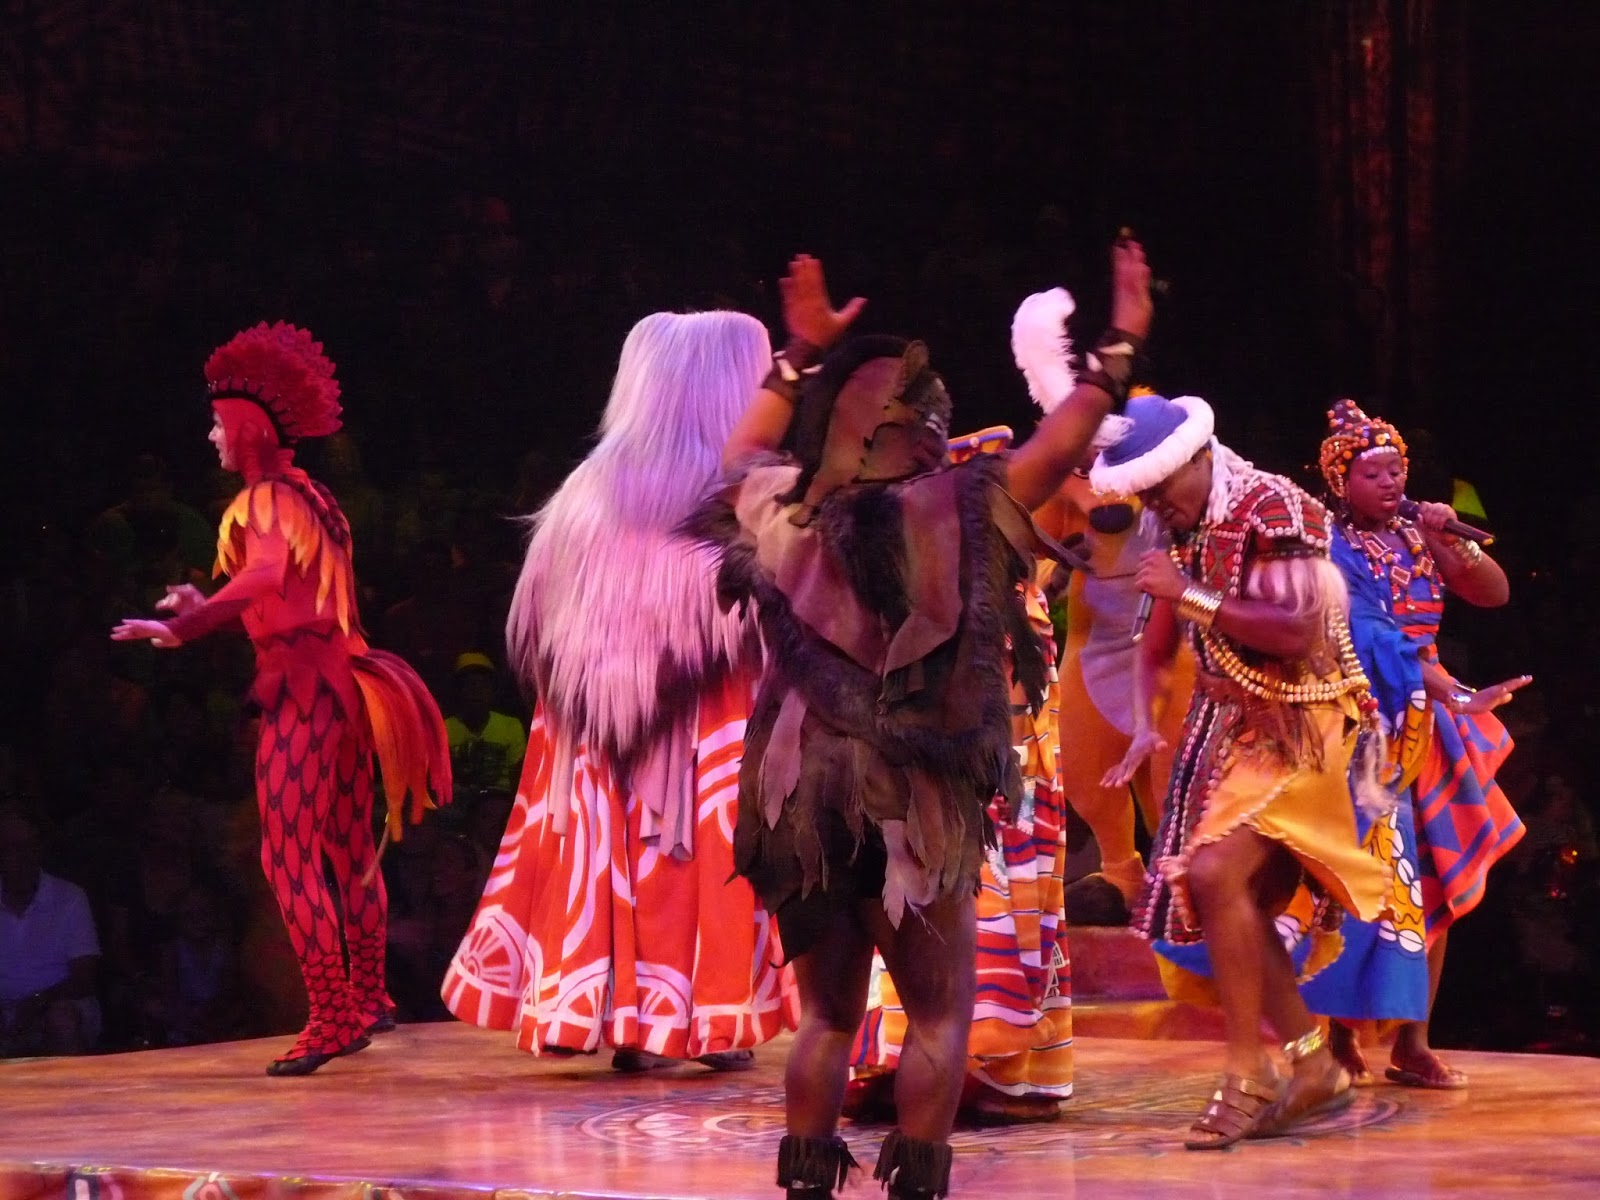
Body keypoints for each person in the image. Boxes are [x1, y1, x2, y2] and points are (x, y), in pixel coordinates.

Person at [688, 241, 1151, 1199]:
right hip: (909, 794)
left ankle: (807, 1187)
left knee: (826, 1017)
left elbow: (734, 458)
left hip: (801, 796)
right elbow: (1057, 448)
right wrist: (1116, 350)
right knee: (938, 1014)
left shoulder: (784, 509)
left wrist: (798, 356)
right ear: (925, 430)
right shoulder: (954, 509)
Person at [441, 311, 797, 1071]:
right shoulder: (740, 491)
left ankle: (631, 1014)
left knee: (624, 853)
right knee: (696, 851)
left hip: (595, 726)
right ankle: (689, 1013)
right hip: (707, 710)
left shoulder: (587, 489)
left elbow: (546, 612)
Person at [112, 321, 452, 1075]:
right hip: (348, 688)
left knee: (287, 855)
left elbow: (267, 577)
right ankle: (368, 996)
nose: (211, 437)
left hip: (307, 695)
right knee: (349, 849)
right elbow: (283, 587)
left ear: (247, 428)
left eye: (217, 424)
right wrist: (206, 599)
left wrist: (192, 622)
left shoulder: (264, 499)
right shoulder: (312, 496)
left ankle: (332, 1017)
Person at [1097, 391, 1393, 1149]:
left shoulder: (1275, 508)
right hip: (1231, 731)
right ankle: (1310, 1061)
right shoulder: (1181, 523)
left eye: (1160, 485)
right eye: (1142, 493)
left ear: (1200, 457)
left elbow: (1294, 632)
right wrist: (1142, 725)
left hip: (1304, 722)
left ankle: (1247, 1072)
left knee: (1215, 875)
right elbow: (1155, 642)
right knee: (1236, 897)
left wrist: (1189, 593)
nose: (1153, 504)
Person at [845, 428, 1074, 1126]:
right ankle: (918, 1062)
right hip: (955, 780)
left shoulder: (1016, 586)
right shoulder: (932, 582)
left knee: (993, 913)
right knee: (940, 914)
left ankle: (993, 1067)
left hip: (1017, 782)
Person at [1310, 399, 1528, 1088]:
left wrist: (1447, 540)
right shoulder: (1329, 546)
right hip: (1364, 714)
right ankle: (1337, 1033)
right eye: (1372, 473)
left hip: (1430, 720)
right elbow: (1369, 634)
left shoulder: (1416, 535)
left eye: (1396, 470)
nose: (1389, 482)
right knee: (1359, 878)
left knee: (1436, 880)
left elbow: (1494, 592)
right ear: (1340, 481)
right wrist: (1451, 692)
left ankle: (1413, 1041)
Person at [1017, 294, 1197, 921]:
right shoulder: (1068, 484)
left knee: (1170, 771)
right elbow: (1029, 548)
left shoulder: (1167, 466)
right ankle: (1121, 868)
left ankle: (1178, 874)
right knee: (1089, 761)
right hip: (1097, 644)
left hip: (1170, 644)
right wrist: (1051, 563)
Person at [0, 804, 101, 1057]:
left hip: (60, 1004)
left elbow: (84, 976)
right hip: (5, 1010)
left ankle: (72, 1083)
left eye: (28, 846)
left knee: (61, 1019)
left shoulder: (69, 897)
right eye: (12, 848)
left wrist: (38, 1002)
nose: (22, 856)